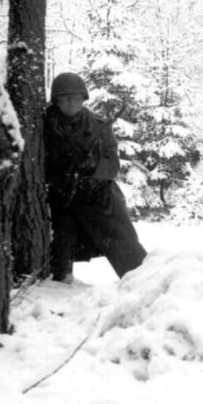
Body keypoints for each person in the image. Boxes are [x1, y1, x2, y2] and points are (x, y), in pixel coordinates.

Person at [43, 72, 147, 282]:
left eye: (77, 97)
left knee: (127, 247)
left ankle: (143, 284)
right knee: (60, 252)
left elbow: (113, 165)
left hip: (98, 196)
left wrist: (91, 167)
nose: (72, 102)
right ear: (56, 101)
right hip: (60, 197)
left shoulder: (99, 125)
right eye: (65, 97)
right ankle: (59, 288)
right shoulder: (43, 126)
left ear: (84, 98)